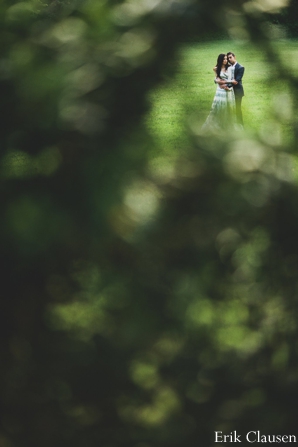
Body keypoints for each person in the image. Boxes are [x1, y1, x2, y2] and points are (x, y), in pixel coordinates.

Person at [202, 54, 236, 132]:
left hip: (228, 89)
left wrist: (226, 85)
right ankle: (217, 123)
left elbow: (232, 80)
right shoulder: (216, 68)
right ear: (220, 60)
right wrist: (219, 83)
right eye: (224, 59)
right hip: (220, 90)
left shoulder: (230, 68)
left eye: (226, 59)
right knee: (218, 106)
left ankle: (227, 124)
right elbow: (217, 79)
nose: (226, 60)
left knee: (228, 106)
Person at [224, 52, 245, 127]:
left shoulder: (240, 67)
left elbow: (236, 81)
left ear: (234, 57)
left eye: (230, 57)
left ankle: (240, 124)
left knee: (237, 108)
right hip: (230, 92)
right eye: (228, 58)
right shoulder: (229, 67)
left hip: (237, 92)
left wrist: (228, 86)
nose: (229, 59)